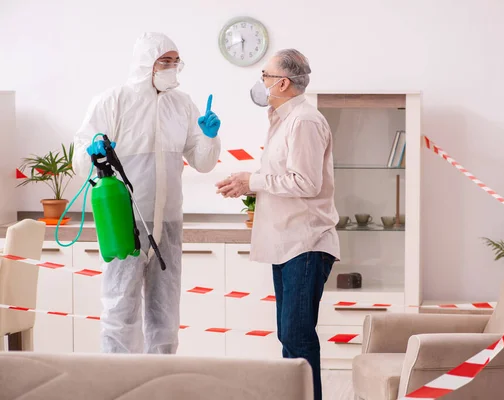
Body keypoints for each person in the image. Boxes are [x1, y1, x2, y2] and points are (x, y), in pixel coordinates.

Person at [73, 32, 221, 354]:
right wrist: (93, 150)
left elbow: (202, 161)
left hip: (167, 224)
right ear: (146, 63)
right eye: (164, 61)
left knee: (165, 313)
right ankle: (120, 382)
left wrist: (209, 138)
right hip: (123, 222)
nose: (171, 68)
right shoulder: (114, 101)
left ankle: (160, 383)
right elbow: (79, 158)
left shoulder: (181, 104)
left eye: (175, 62)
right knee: (119, 308)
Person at [215, 49, 340, 400]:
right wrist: (246, 183)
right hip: (288, 243)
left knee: (298, 336)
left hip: (306, 242)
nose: (262, 83)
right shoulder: (283, 119)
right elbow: (281, 177)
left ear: (282, 82)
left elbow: (305, 183)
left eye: (265, 76)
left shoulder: (304, 121)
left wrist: (252, 181)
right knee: (289, 335)